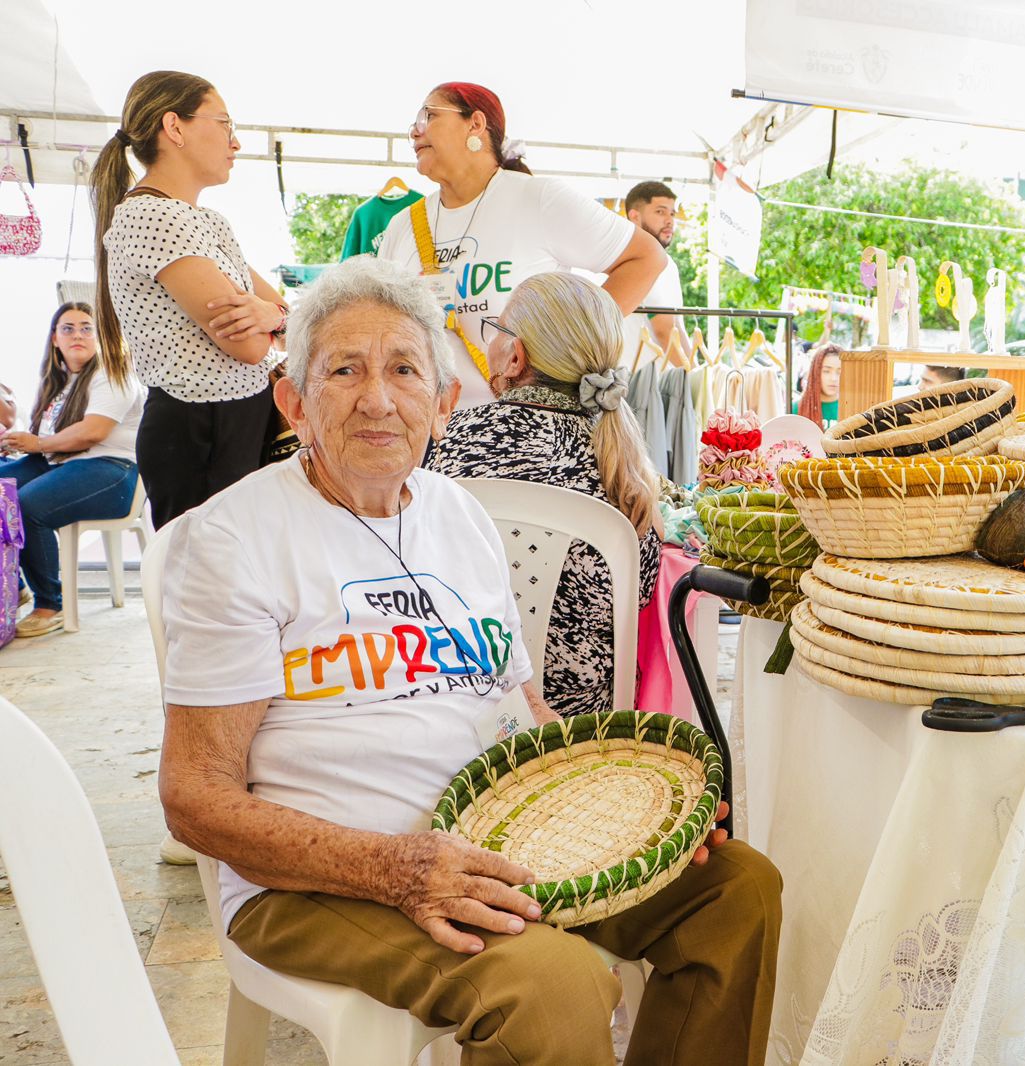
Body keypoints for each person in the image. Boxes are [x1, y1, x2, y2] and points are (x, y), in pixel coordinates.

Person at [157, 257, 780, 1066]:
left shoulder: (459, 513)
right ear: (294, 401)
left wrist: (640, 818)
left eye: (405, 370)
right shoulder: (234, 539)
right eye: (344, 370)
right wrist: (396, 869)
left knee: (737, 894)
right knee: (552, 989)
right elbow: (195, 798)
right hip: (324, 878)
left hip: (501, 843)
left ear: (445, 404)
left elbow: (522, 706)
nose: (377, 399)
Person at [426, 271, 663, 718]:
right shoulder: (622, 470)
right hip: (584, 727)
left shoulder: (449, 437)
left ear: (515, 357)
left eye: (497, 330)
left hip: (462, 704)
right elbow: (640, 595)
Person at [377, 83, 667, 410]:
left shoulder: (539, 199)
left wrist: (570, 351)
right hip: (422, 432)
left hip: (523, 431)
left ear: (475, 124)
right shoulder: (402, 226)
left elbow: (646, 258)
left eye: (427, 117)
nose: (414, 133)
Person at [93, 70, 287, 530]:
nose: (235, 142)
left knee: (241, 579)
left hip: (235, 421)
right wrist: (273, 318)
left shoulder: (208, 221)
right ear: (174, 127)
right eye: (225, 123)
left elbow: (279, 309)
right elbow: (251, 346)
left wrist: (269, 315)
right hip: (201, 430)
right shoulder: (149, 216)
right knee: (208, 584)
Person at [0, 303, 144, 638]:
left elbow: (94, 432)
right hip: (61, 462)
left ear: (101, 336)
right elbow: (49, 440)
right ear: (54, 338)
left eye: (86, 327)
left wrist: (35, 443)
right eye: (68, 328)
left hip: (112, 469)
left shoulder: (113, 373)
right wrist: (15, 444)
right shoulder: (59, 382)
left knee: (25, 503)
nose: (77, 334)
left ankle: (51, 604)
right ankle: (14, 583)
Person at [622, 180, 689, 361]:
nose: (669, 220)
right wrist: (696, 379)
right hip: (651, 383)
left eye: (672, 213)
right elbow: (666, 331)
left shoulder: (667, 263)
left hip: (632, 380)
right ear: (635, 216)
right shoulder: (649, 261)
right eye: (660, 212)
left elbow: (674, 326)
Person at [797, 343, 843, 428]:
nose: (833, 378)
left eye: (839, 372)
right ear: (816, 372)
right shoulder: (797, 407)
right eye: (826, 371)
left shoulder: (852, 408)